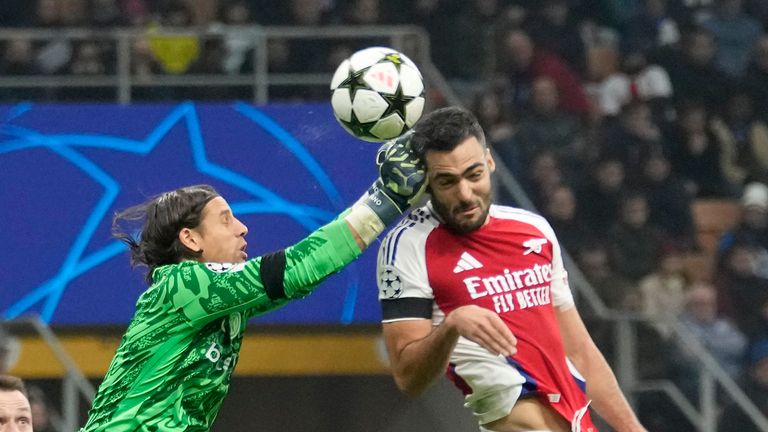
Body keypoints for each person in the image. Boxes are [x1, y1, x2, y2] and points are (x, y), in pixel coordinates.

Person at [80, 134, 427, 431]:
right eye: (225, 220)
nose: (242, 228)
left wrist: (377, 197)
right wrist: (387, 198)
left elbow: (303, 274)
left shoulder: (222, 301)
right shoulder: (185, 284)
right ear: (191, 239)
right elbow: (297, 266)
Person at [376, 106, 646, 432]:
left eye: (474, 175)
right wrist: (452, 325)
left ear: (490, 162)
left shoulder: (534, 230)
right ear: (426, 182)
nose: (464, 194)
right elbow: (408, 377)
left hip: (575, 420)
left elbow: (580, 352)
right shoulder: (408, 246)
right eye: (446, 182)